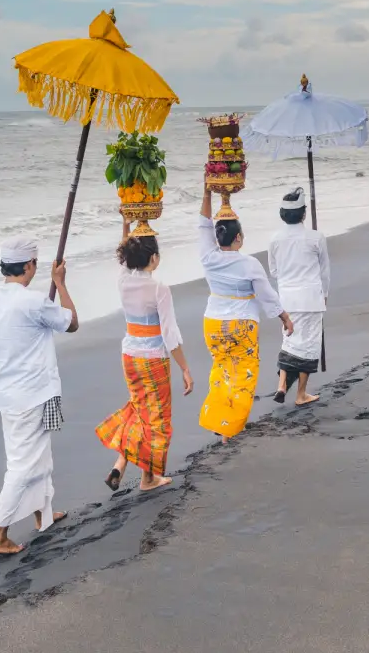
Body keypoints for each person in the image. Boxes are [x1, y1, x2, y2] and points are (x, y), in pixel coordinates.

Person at [0, 238, 79, 556]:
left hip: (10, 394)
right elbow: (71, 323)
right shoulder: (33, 302)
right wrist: (60, 284)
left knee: (40, 456)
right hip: (34, 394)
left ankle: (43, 516)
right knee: (22, 465)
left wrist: (10, 366)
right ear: (29, 266)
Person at [96, 220, 194, 493]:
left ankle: (120, 464)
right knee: (156, 420)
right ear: (154, 258)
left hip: (130, 356)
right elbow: (169, 334)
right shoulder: (159, 288)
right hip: (153, 359)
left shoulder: (124, 281)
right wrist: (185, 368)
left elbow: (124, 259)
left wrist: (127, 223)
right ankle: (148, 478)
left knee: (140, 410)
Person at [197, 186, 294, 441]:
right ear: (239, 238)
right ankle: (230, 426)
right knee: (243, 375)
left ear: (218, 239)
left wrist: (207, 194)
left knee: (221, 370)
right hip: (242, 325)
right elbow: (266, 295)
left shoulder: (208, 257)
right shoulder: (249, 264)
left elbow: (203, 226)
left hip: (214, 324)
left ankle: (219, 420)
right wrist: (284, 317)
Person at [267, 187, 330, 406]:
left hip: (287, 299)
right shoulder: (316, 238)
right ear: (303, 214)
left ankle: (282, 384)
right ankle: (301, 394)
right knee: (309, 346)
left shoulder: (274, 239)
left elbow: (274, 271)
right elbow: (324, 272)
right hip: (312, 298)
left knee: (289, 341)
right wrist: (326, 295)